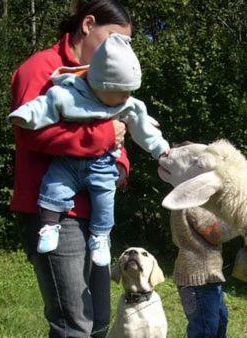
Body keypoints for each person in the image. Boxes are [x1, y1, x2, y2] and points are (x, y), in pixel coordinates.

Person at [10, 0, 158, 338]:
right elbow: (31, 130)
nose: (121, 51)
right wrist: (101, 136)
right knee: (74, 326)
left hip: (94, 220)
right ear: (87, 24)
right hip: (50, 212)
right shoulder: (39, 68)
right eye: (115, 39)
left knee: (95, 323)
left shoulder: (103, 79)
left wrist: (122, 167)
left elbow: (118, 133)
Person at [9, 32, 169, 266]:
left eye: (130, 92)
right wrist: (25, 115)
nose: (127, 97)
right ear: (99, 85)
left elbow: (143, 127)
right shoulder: (70, 94)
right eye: (121, 92)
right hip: (68, 162)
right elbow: (45, 105)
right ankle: (49, 226)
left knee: (105, 201)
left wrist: (160, 149)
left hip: (102, 165)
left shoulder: (126, 103)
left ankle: (101, 236)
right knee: (54, 186)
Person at [170, 206, 238, 338]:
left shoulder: (186, 201)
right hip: (198, 279)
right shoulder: (194, 205)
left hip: (205, 277)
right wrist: (240, 223)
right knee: (205, 326)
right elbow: (216, 233)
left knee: (219, 319)